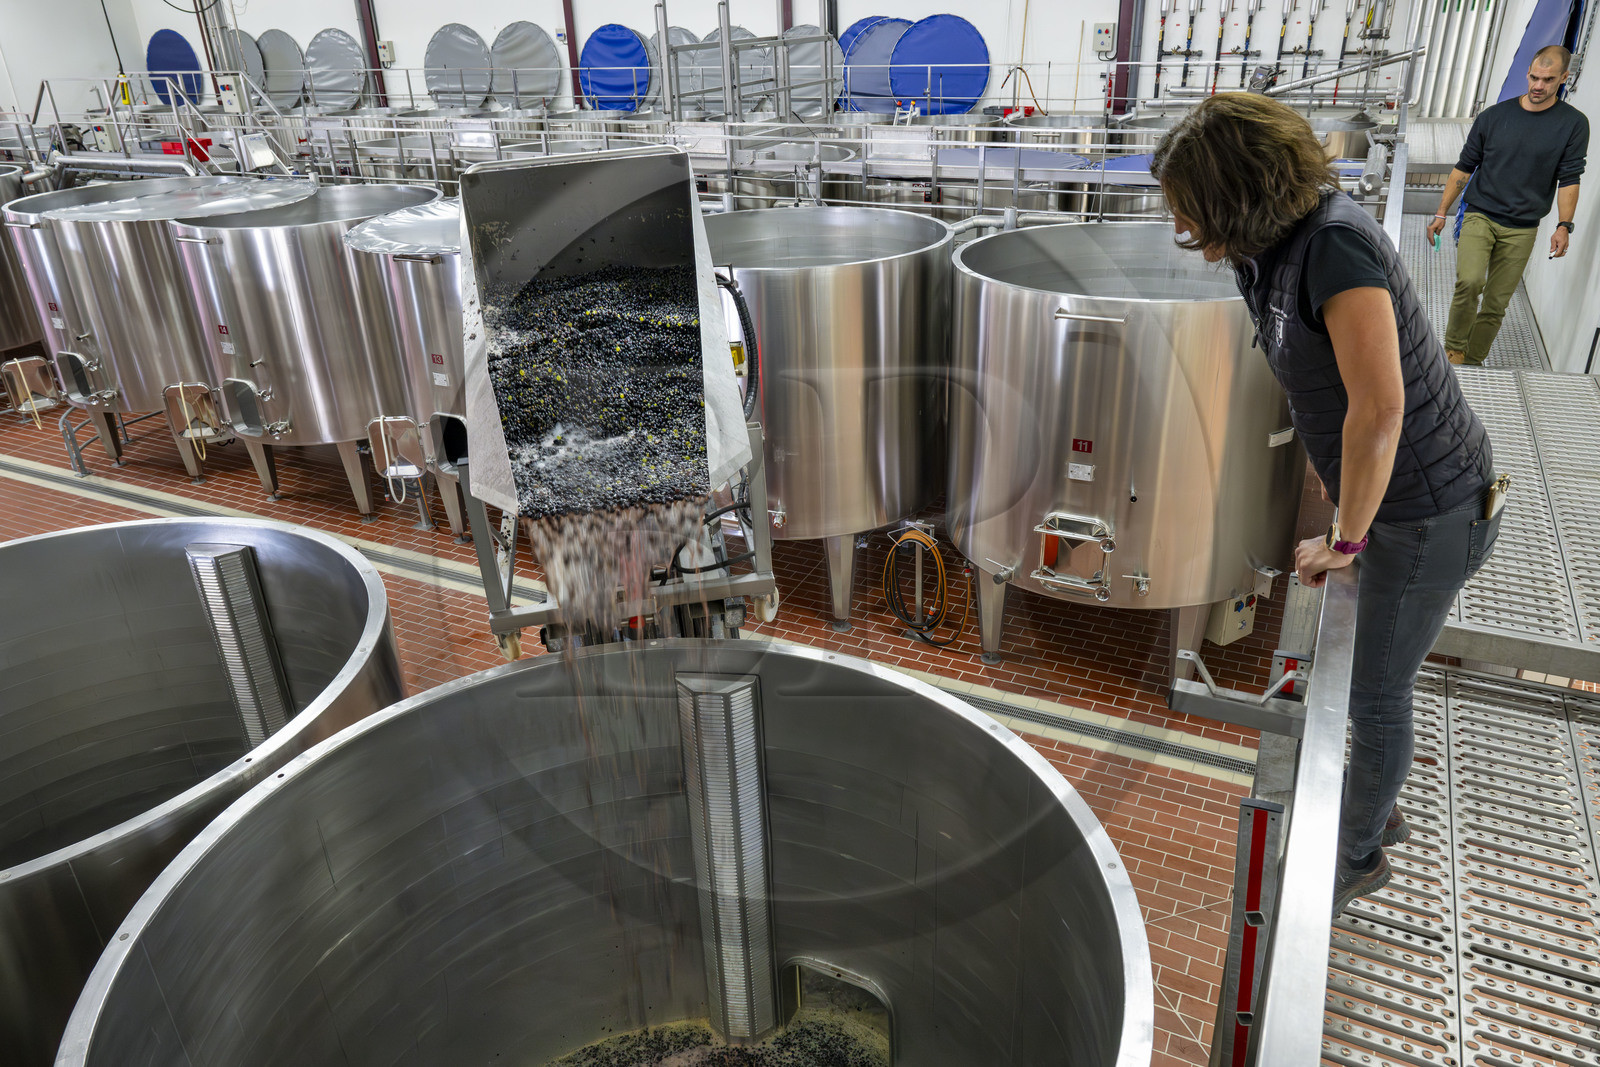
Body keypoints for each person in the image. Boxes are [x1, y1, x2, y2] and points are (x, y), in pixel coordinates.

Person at [1152, 93, 1502, 916]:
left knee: (1375, 695)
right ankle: (1377, 799)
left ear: (1236, 195)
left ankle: (1358, 855)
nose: (1188, 235)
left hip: (1428, 511)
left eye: (1192, 214)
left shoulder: (1335, 246)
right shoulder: (1259, 250)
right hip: (1393, 502)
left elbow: (1381, 411)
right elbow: (1317, 382)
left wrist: (1344, 541)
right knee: (1374, 691)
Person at [1427, 45, 1588, 366]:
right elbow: (1464, 167)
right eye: (1533, 77)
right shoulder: (1494, 117)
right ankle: (1453, 351)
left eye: (1548, 79)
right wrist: (1441, 212)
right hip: (1480, 214)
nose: (1538, 86)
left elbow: (1570, 178)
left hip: (1523, 227)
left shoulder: (1573, 124)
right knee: (1470, 281)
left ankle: (1473, 362)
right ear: (1527, 73)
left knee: (1496, 303)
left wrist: (1563, 225)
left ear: (1564, 78)